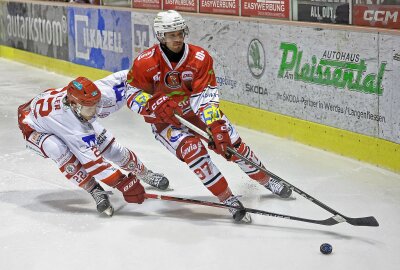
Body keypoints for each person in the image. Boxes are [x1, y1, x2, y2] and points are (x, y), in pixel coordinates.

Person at [125, 10, 292, 223]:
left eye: (180, 33)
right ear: (161, 36)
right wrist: (150, 105)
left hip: (196, 115)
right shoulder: (144, 62)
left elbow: (206, 96)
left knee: (232, 145)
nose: (177, 39)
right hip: (166, 123)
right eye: (172, 35)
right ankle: (228, 198)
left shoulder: (199, 58)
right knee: (194, 153)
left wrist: (214, 125)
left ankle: (267, 180)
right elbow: (131, 93)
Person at [17, 76, 164, 216]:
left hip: (53, 111)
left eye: (96, 105)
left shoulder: (86, 101)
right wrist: (123, 183)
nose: (94, 112)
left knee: (110, 147)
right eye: (89, 108)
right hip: (34, 127)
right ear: (74, 105)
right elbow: (95, 164)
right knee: (58, 150)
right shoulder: (73, 126)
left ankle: (145, 173)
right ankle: (95, 190)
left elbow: (124, 77)